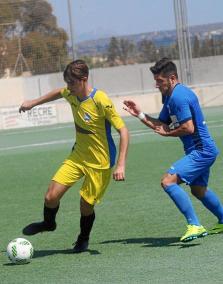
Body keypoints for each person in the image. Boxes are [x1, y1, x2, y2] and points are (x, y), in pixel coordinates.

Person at [19, 59, 129, 252]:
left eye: (72, 83)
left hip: (100, 162)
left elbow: (124, 131)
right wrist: (33, 103)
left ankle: (83, 238)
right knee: (50, 197)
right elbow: (58, 92)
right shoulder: (71, 93)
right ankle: (48, 223)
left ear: (84, 79)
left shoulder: (100, 100)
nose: (68, 87)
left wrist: (120, 165)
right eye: (67, 83)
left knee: (85, 205)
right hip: (78, 156)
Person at [123, 57, 223, 242]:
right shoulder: (171, 96)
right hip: (202, 150)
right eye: (156, 81)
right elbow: (161, 123)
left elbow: (188, 128)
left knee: (167, 182)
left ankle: (195, 225)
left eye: (160, 81)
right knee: (198, 190)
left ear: (172, 78)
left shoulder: (178, 96)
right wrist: (140, 114)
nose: (157, 85)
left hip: (201, 151)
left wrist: (167, 134)